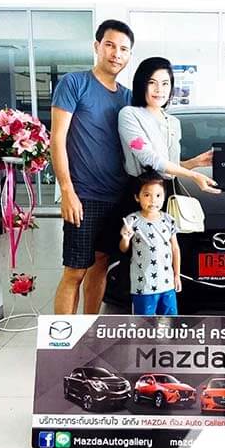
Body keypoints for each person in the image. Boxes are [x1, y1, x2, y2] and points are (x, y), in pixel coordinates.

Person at [50, 19, 135, 315]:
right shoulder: (74, 84)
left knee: (100, 266)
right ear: (97, 46)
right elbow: (57, 139)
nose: (116, 54)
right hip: (83, 196)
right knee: (75, 271)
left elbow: (143, 149)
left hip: (117, 199)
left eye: (123, 49)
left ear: (129, 55)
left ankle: (89, 331)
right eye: (110, 45)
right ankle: (63, 337)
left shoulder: (128, 98)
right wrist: (67, 190)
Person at [117, 56, 218, 193]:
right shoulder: (129, 114)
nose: (159, 89)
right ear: (141, 84)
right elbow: (148, 158)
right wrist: (192, 175)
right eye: (152, 82)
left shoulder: (173, 122)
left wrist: (194, 163)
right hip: (142, 192)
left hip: (170, 191)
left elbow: (168, 169)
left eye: (165, 83)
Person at [119, 170, 181, 315]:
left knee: (170, 322)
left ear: (164, 197)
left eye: (158, 195)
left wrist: (177, 275)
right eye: (147, 195)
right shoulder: (132, 220)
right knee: (144, 323)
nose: (153, 200)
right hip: (143, 286)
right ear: (137, 197)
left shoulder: (169, 220)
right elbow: (123, 249)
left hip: (167, 284)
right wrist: (125, 239)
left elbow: (175, 249)